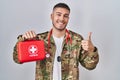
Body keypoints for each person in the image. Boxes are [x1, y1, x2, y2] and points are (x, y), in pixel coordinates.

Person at [13, 3, 99, 80]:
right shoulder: (39, 40)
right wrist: (23, 40)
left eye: (65, 16)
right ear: (51, 16)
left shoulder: (77, 39)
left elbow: (90, 66)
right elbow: (17, 59)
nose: (62, 19)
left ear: (68, 18)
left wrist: (92, 50)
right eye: (58, 14)